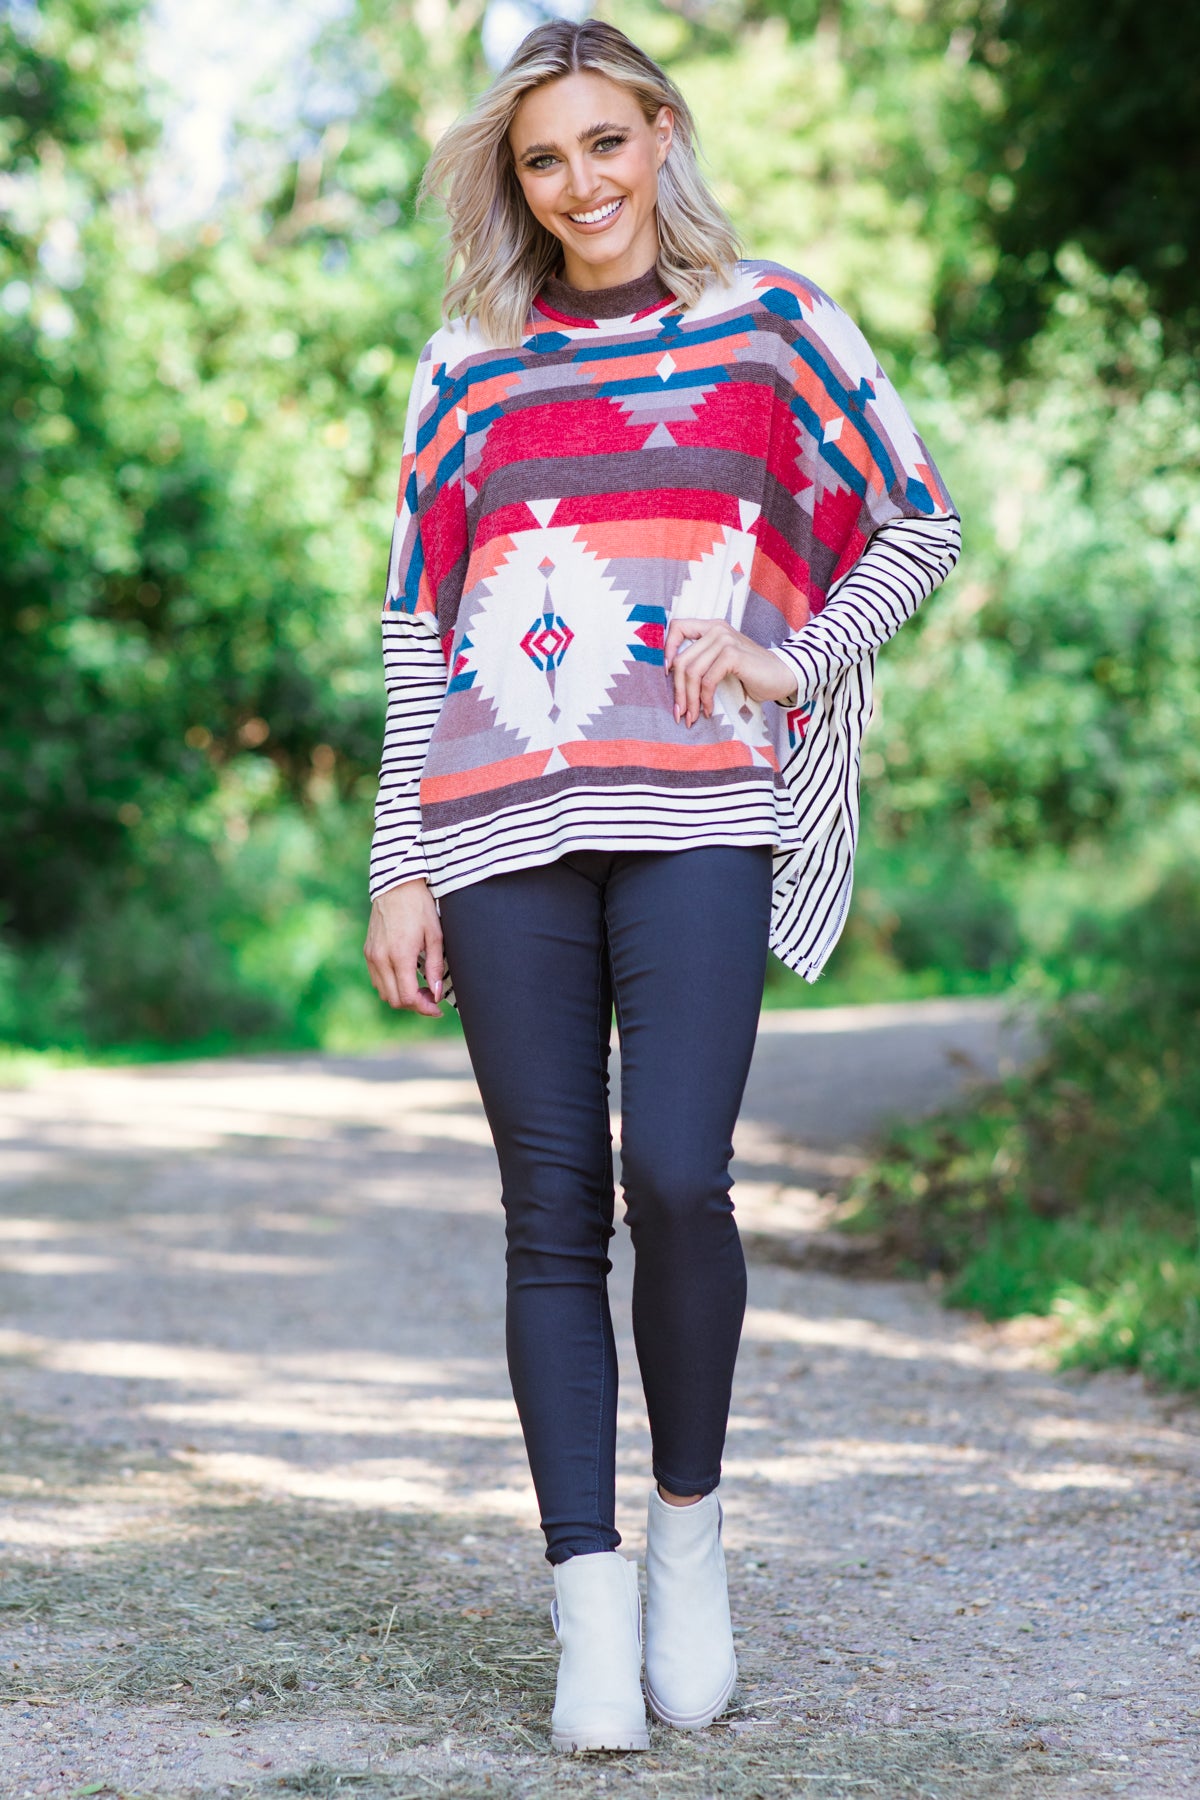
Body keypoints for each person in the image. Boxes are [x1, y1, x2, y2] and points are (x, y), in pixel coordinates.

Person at [364, 18, 960, 1755]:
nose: (582, 184)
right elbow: (417, 626)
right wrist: (400, 860)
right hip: (499, 824)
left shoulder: (775, 324)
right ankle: (590, 1604)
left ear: (661, 133)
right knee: (550, 1214)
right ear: (515, 179)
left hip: (701, 806)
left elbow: (915, 521)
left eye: (606, 143)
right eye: (545, 159)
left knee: (680, 1177)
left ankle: (689, 1542)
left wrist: (793, 656)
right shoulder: (463, 367)